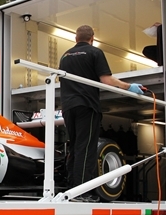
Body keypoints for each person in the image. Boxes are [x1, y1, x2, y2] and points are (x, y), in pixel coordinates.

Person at [58, 25, 143, 202]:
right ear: (92, 38)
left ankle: (71, 188)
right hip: (86, 106)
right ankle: (81, 192)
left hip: (67, 107)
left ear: (76, 38)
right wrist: (130, 87)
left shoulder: (65, 56)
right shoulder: (95, 52)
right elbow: (107, 80)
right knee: (87, 147)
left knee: (74, 146)